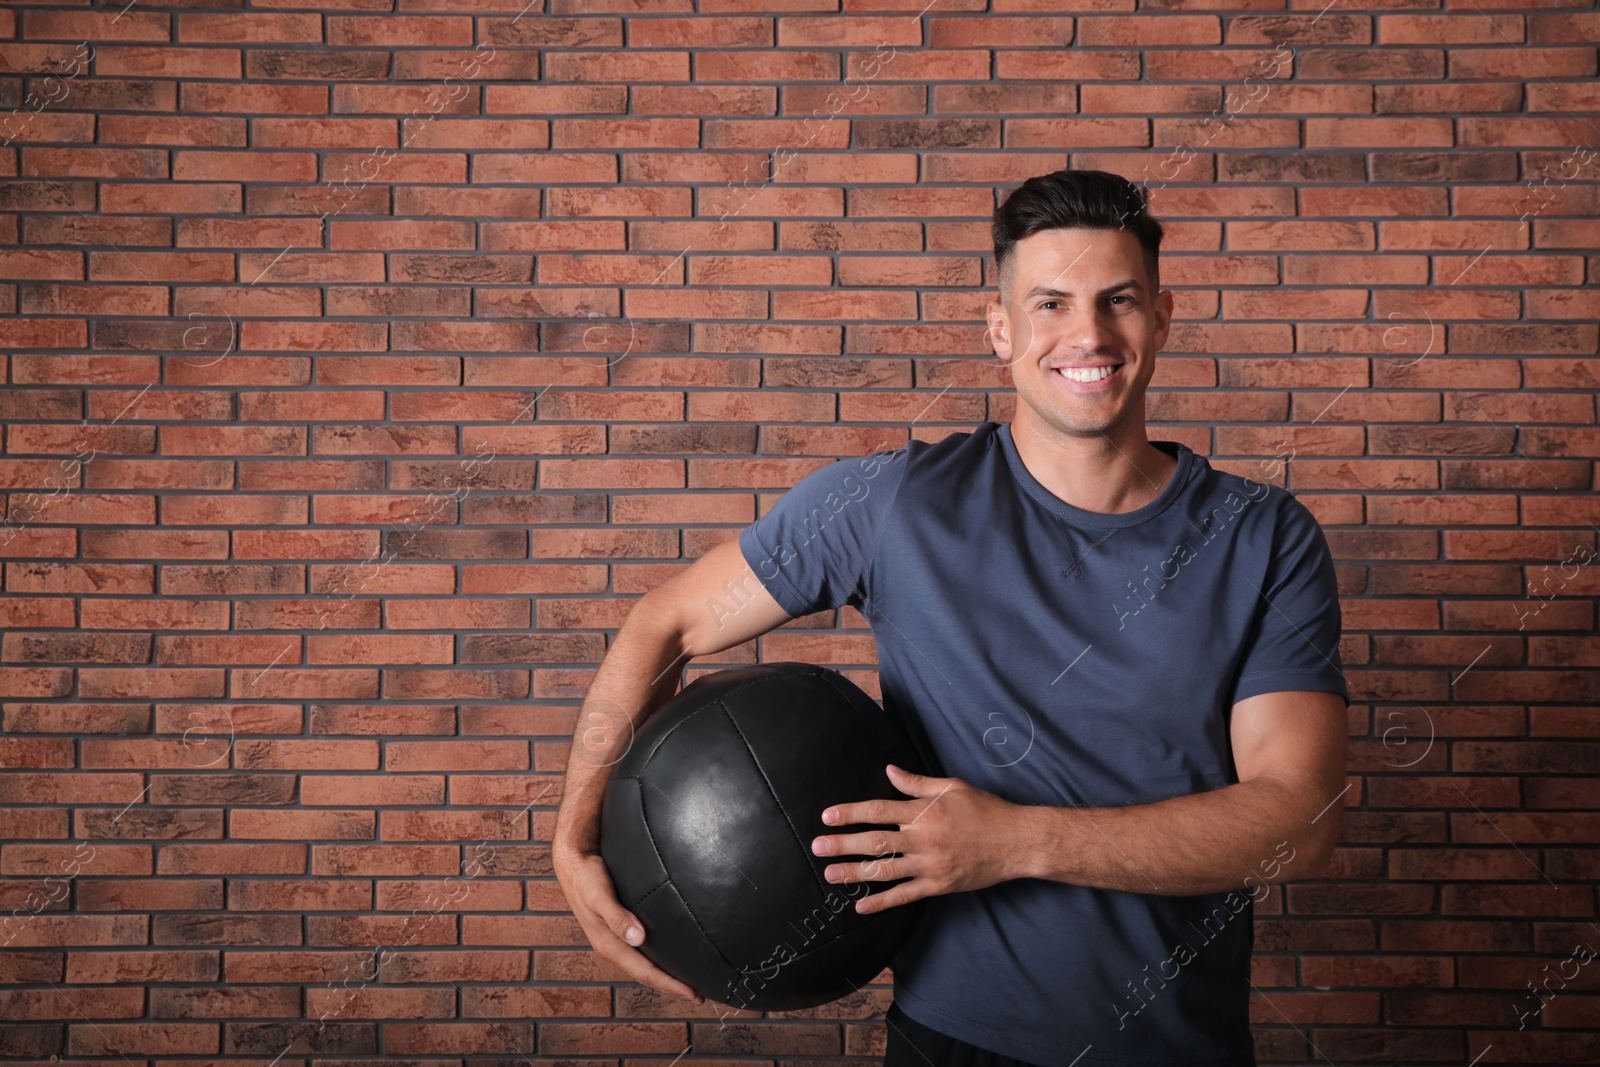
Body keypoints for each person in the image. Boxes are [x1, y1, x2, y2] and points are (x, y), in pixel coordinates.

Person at [552, 169, 1350, 1067]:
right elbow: (666, 623)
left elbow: (1301, 815)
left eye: (1117, 300)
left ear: (1161, 318)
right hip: (954, 1044)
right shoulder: (891, 506)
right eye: (1050, 303)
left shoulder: (1263, 536)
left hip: (1182, 1047)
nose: (1087, 333)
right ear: (1001, 328)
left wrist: (1017, 840)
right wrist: (573, 836)